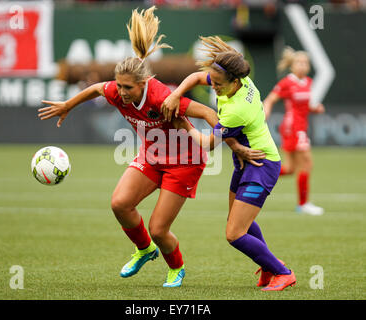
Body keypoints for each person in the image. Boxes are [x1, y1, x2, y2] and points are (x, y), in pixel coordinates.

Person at [38, 7, 260, 288]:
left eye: (127, 88)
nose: (120, 92)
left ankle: (176, 267)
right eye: (118, 86)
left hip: (185, 163)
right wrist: (67, 106)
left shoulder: (162, 98)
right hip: (153, 157)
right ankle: (144, 251)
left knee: (158, 228)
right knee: (120, 204)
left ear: (143, 84)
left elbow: (209, 114)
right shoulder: (117, 91)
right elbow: (96, 89)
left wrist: (232, 144)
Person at [163, 36, 296, 291]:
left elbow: (207, 144)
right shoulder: (237, 80)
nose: (214, 87)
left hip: (262, 166)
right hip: (244, 163)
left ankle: (283, 272)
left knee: (234, 234)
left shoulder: (236, 110)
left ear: (235, 82)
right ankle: (268, 267)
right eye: (214, 82)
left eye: (220, 85)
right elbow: (195, 78)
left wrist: (184, 125)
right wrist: (176, 94)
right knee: (237, 223)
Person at [263, 47, 325, 216]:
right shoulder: (287, 82)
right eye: (299, 62)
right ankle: (303, 204)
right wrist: (266, 111)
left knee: (290, 169)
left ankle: (259, 174)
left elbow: (305, 106)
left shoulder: (309, 83)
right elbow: (270, 99)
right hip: (292, 127)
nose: (302, 65)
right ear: (292, 66)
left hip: (299, 127)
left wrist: (315, 108)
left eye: (305, 63)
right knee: (307, 164)